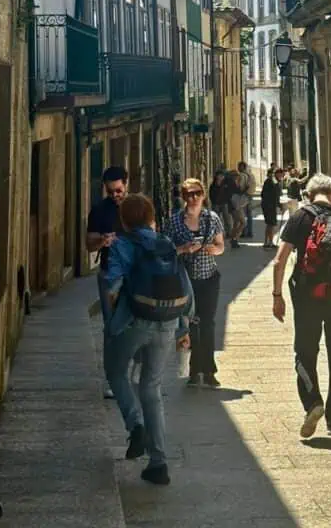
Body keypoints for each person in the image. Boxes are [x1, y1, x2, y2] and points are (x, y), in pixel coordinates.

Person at [101, 193, 193, 486]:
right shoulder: (165, 243)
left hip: (133, 321)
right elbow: (186, 289)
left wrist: (111, 314)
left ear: (124, 220)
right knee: (151, 387)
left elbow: (113, 285)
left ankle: (134, 424)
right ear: (151, 217)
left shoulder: (121, 245)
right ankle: (158, 463)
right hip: (166, 322)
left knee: (116, 373)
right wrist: (183, 326)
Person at [272, 174, 331, 438]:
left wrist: (277, 295)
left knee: (305, 353)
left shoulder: (300, 218)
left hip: (307, 298)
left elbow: (279, 261)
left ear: (308, 194)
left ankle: (313, 402)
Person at [168, 178, 226, 388]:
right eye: (188, 194)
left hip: (209, 278)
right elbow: (166, 252)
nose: (193, 198)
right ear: (183, 197)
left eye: (196, 193)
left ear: (203, 195)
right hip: (185, 281)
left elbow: (221, 246)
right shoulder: (174, 221)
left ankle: (208, 371)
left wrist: (214, 249)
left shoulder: (212, 218)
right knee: (191, 325)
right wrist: (184, 248)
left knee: (208, 324)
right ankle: (194, 370)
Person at [86, 166, 128, 398]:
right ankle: (113, 378)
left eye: (119, 190)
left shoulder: (137, 206)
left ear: (126, 184)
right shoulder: (100, 210)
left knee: (135, 324)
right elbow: (88, 243)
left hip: (134, 273)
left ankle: (129, 373)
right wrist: (103, 240)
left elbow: (152, 233)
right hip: (109, 276)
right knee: (112, 327)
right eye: (111, 191)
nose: (115, 195)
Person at [261, 167, 285, 248]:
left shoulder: (275, 181)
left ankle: (268, 242)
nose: (282, 176)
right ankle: (268, 243)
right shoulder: (271, 181)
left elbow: (276, 195)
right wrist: (277, 204)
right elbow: (268, 194)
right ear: (277, 173)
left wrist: (279, 204)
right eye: (281, 174)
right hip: (268, 206)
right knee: (270, 224)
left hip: (270, 205)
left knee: (270, 224)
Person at [209, 170, 233, 238]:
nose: (221, 177)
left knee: (227, 219)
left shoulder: (225, 184)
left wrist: (227, 200)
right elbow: (211, 194)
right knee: (216, 219)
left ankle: (229, 233)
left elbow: (229, 193)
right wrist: (213, 201)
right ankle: (217, 234)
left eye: (222, 176)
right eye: (220, 176)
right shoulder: (213, 185)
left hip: (224, 203)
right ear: (216, 176)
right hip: (216, 204)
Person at [226, 169, 246, 248]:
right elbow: (237, 193)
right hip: (235, 206)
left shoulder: (231, 183)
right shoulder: (233, 184)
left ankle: (234, 239)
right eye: (237, 175)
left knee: (236, 223)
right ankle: (234, 238)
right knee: (242, 222)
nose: (238, 177)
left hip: (232, 205)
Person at [237, 161, 256, 239]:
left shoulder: (242, 175)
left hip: (244, 196)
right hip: (250, 195)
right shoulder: (251, 175)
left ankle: (244, 232)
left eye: (239, 167)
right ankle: (250, 232)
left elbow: (241, 186)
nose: (238, 168)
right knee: (249, 215)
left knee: (243, 215)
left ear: (242, 167)